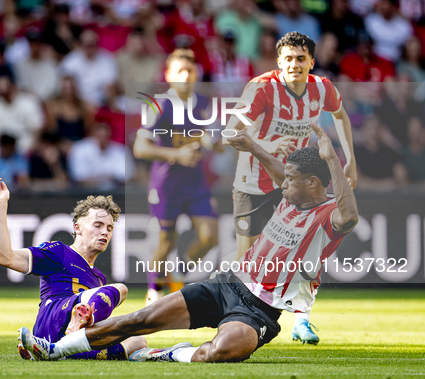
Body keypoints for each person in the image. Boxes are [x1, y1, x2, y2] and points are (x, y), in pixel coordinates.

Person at [20, 123, 359, 363]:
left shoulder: (329, 215)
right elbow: (282, 174)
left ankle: (169, 355)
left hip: (260, 310)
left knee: (219, 353)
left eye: (291, 180)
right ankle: (54, 350)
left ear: (313, 183)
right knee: (140, 319)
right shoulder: (291, 196)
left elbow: (350, 217)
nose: (282, 184)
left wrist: (333, 160)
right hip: (227, 284)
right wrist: (252, 146)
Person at [222, 31, 357, 344]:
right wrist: (269, 143)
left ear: (311, 61)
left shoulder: (322, 88)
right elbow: (229, 133)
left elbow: (341, 116)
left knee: (310, 251)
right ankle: (238, 315)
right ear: (278, 62)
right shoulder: (261, 89)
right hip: (253, 183)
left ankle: (302, 320)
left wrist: (349, 159)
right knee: (248, 262)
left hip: (294, 182)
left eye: (300, 58)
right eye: (288, 59)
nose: (294, 64)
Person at [0, 183, 147, 360]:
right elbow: (5, 258)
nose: (104, 232)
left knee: (138, 341)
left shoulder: (99, 277)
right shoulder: (59, 252)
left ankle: (52, 351)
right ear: (78, 228)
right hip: (53, 318)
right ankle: (69, 333)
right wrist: (0, 204)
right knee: (120, 289)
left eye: (109, 228)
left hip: (67, 336)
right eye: (98, 225)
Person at [133, 48, 220, 304]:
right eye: (180, 70)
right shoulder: (158, 105)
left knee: (210, 237)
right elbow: (140, 148)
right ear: (169, 75)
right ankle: (153, 291)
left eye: (190, 70)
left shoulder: (204, 104)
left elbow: (215, 141)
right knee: (164, 243)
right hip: (166, 185)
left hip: (196, 184)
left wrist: (215, 142)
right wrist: (177, 154)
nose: (186, 75)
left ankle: (179, 272)